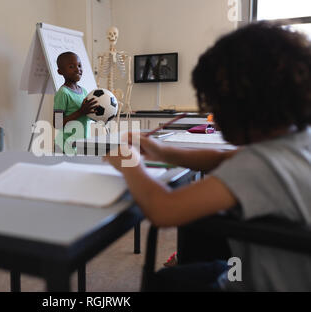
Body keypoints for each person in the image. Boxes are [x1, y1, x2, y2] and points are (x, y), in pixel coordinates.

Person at [104, 22, 311, 291]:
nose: (213, 113)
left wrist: (130, 163)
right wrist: (160, 150)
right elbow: (224, 159)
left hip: (254, 284)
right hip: (269, 272)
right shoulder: (296, 140)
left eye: (216, 102)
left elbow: (163, 210)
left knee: (165, 283)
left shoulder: (258, 165)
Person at [53, 51, 97, 153]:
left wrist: (98, 115)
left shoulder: (84, 91)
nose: (78, 69)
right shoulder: (63, 93)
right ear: (60, 71)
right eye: (71, 67)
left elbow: (86, 114)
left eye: (79, 65)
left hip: (81, 145)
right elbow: (57, 123)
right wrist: (81, 111)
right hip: (65, 146)